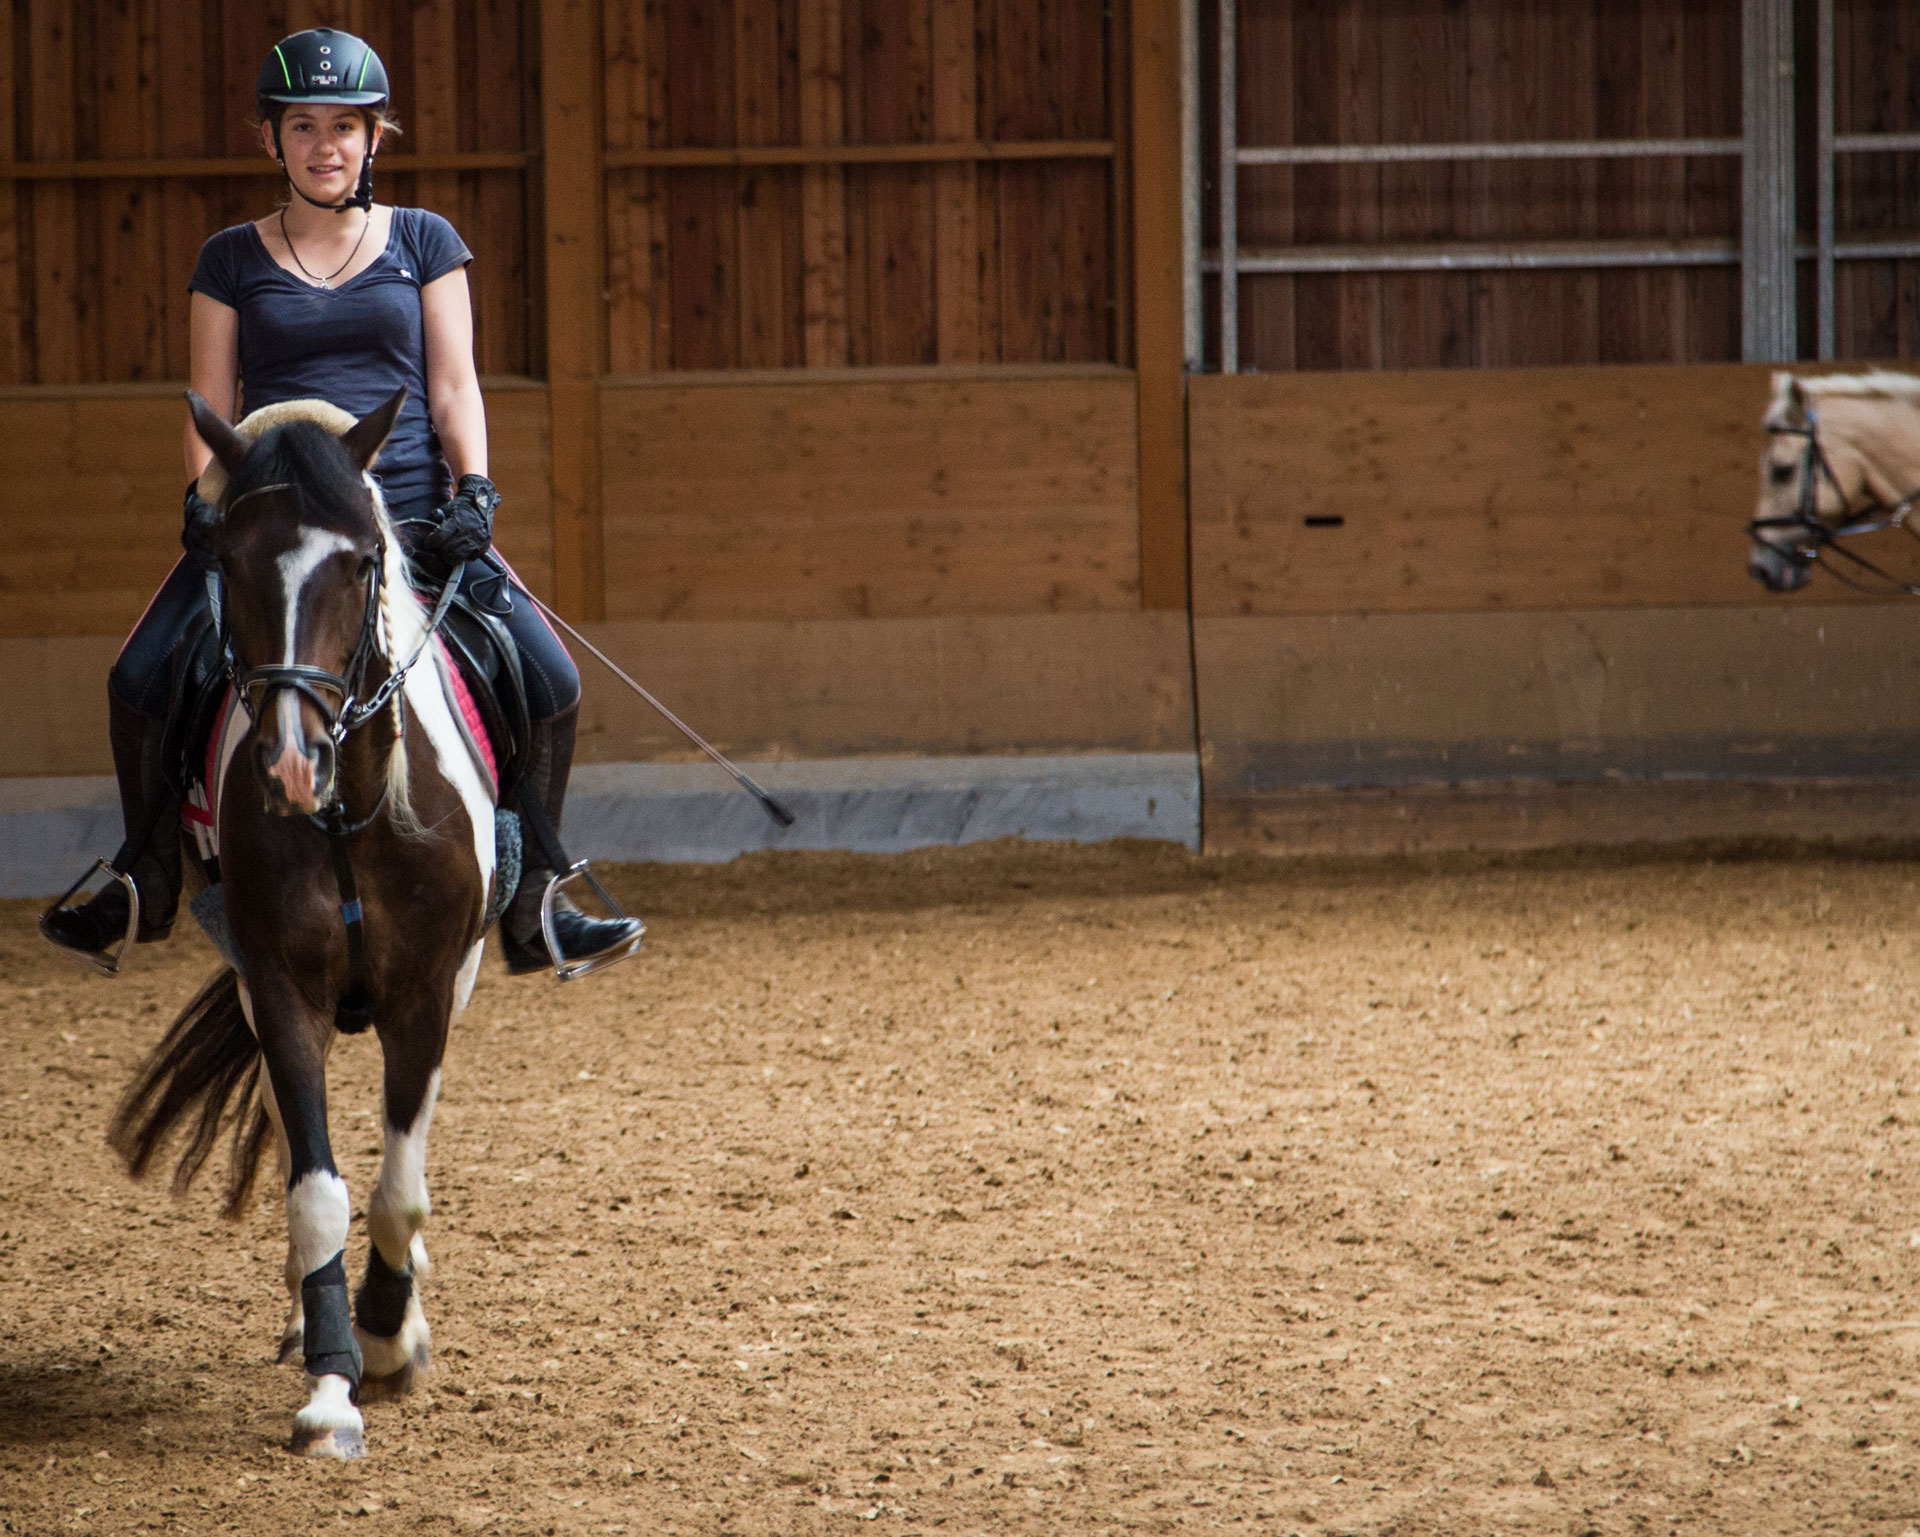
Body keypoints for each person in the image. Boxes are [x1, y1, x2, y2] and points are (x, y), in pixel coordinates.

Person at [40, 26, 640, 976]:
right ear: (271, 140)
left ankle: (538, 899)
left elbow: (452, 387)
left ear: (375, 138)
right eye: (305, 125)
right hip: (276, 527)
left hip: (407, 519)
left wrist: (474, 488)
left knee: (551, 678)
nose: (327, 144)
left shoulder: (425, 242)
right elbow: (208, 401)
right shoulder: (230, 257)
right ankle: (143, 879)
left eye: (347, 127)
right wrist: (204, 501)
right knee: (142, 675)